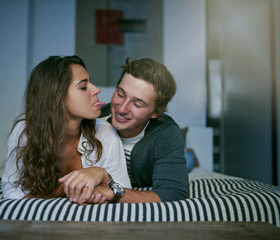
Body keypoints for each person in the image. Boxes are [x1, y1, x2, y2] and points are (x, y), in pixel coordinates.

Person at [60, 57, 189, 204]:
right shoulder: (93, 117)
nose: (121, 109)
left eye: (137, 104)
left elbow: (174, 194)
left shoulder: (166, 134)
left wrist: (112, 191)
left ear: (156, 112)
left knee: (188, 161)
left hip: (166, 156)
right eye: (120, 94)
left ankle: (190, 155)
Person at [1, 55, 131, 200]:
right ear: (56, 97)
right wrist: (65, 188)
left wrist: (100, 174)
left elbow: (124, 190)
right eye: (83, 87)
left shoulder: (104, 132)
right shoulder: (26, 130)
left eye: (91, 82)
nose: (96, 90)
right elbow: (11, 192)